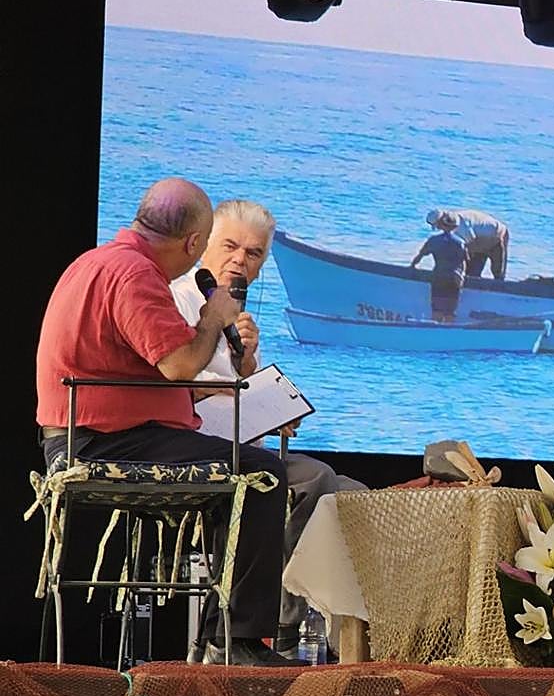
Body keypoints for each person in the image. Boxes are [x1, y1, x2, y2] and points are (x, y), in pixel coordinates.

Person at [35, 178, 298, 666]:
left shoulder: (96, 261)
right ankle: (238, 641)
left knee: (244, 469)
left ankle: (221, 634)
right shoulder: (136, 275)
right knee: (263, 474)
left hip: (100, 434)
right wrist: (212, 317)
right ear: (195, 243)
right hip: (105, 442)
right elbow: (180, 365)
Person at [170, 199, 366, 660]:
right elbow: (177, 382)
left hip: (246, 447)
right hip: (199, 449)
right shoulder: (180, 300)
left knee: (354, 497)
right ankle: (277, 627)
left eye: (253, 253)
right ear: (203, 246)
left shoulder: (240, 320)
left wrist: (256, 380)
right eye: (230, 246)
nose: (240, 260)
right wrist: (243, 391)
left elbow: (234, 390)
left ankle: (348, 641)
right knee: (315, 479)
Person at [411, 210, 469, 322]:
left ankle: (435, 326)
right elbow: (465, 261)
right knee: (450, 311)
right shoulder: (460, 243)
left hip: (438, 276)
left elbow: (420, 256)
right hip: (454, 278)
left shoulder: (434, 240)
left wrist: (412, 266)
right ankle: (448, 329)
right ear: (455, 226)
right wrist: (462, 275)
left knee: (437, 309)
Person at [426, 208, 509, 280]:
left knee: (498, 274)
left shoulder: (460, 225)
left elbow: (469, 244)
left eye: (438, 226)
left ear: (443, 221)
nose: (440, 229)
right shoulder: (453, 223)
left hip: (498, 234)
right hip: (480, 238)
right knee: (471, 274)